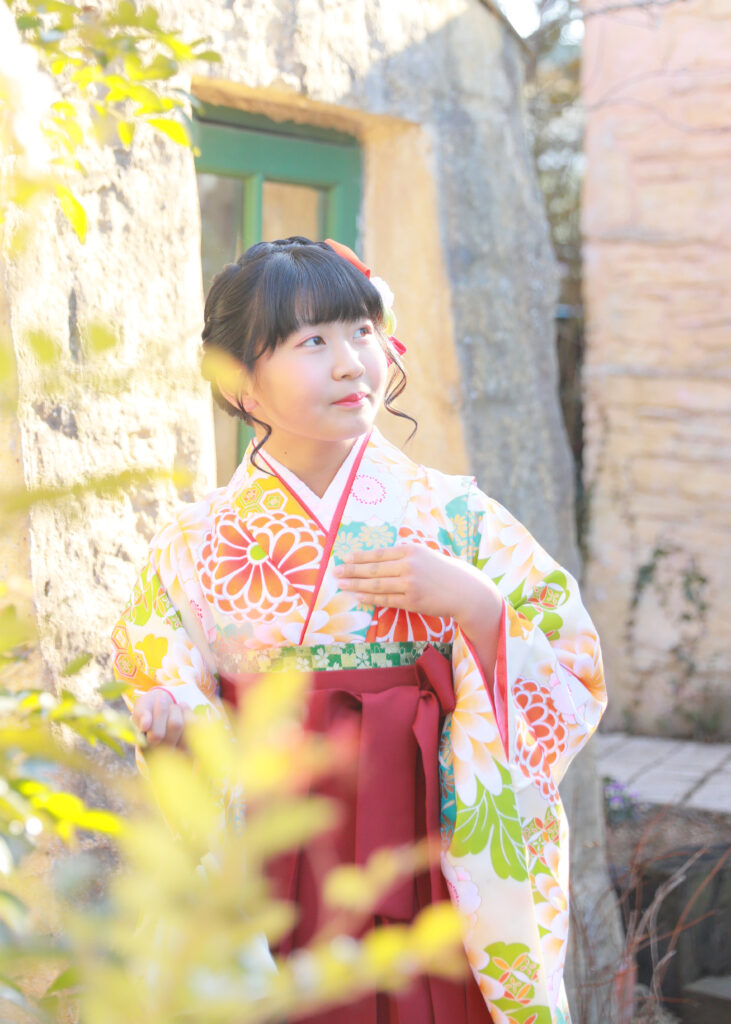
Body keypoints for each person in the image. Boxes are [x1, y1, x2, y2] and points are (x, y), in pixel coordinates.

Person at [111, 236, 606, 1024]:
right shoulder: (193, 540)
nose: (350, 364)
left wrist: (477, 605)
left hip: (425, 834)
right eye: (312, 342)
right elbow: (161, 673)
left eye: (362, 332)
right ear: (238, 381)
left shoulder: (457, 517)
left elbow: (571, 666)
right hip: (274, 840)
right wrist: (172, 722)